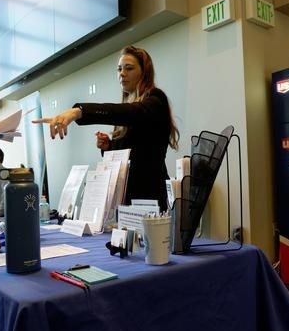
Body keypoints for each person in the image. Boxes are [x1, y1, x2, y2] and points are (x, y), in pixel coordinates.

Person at [32, 45, 179, 211]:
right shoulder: (129, 106)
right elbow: (129, 153)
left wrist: (79, 112)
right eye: (119, 69)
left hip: (151, 197)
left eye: (129, 68)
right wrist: (108, 146)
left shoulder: (155, 99)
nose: (122, 74)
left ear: (144, 72)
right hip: (127, 200)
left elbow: (131, 114)